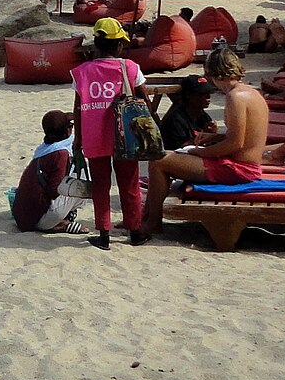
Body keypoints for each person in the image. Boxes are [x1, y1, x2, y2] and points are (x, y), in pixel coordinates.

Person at [140, 46, 270, 241]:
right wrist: (214, 138)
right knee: (165, 159)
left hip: (238, 169)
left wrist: (199, 151)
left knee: (159, 160)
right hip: (247, 164)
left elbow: (235, 143)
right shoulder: (252, 93)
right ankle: (147, 218)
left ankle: (153, 223)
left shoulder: (235, 97)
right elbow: (245, 136)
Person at [70, 17, 148, 250]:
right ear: (119, 45)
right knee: (130, 184)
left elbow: (78, 107)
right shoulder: (130, 68)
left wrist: (77, 140)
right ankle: (135, 231)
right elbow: (143, 99)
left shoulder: (82, 72)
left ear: (96, 44)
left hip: (94, 137)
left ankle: (104, 234)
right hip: (126, 137)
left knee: (101, 186)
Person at [12, 110, 82, 232]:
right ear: (66, 131)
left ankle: (61, 219)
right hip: (39, 220)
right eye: (70, 126)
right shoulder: (60, 153)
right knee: (83, 181)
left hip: (23, 219)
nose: (72, 129)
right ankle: (59, 222)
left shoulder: (44, 150)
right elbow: (54, 190)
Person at [158, 76, 215, 150]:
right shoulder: (175, 120)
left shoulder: (203, 116)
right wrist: (204, 137)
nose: (208, 97)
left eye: (208, 93)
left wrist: (213, 135)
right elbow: (179, 148)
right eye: (202, 94)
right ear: (188, 95)